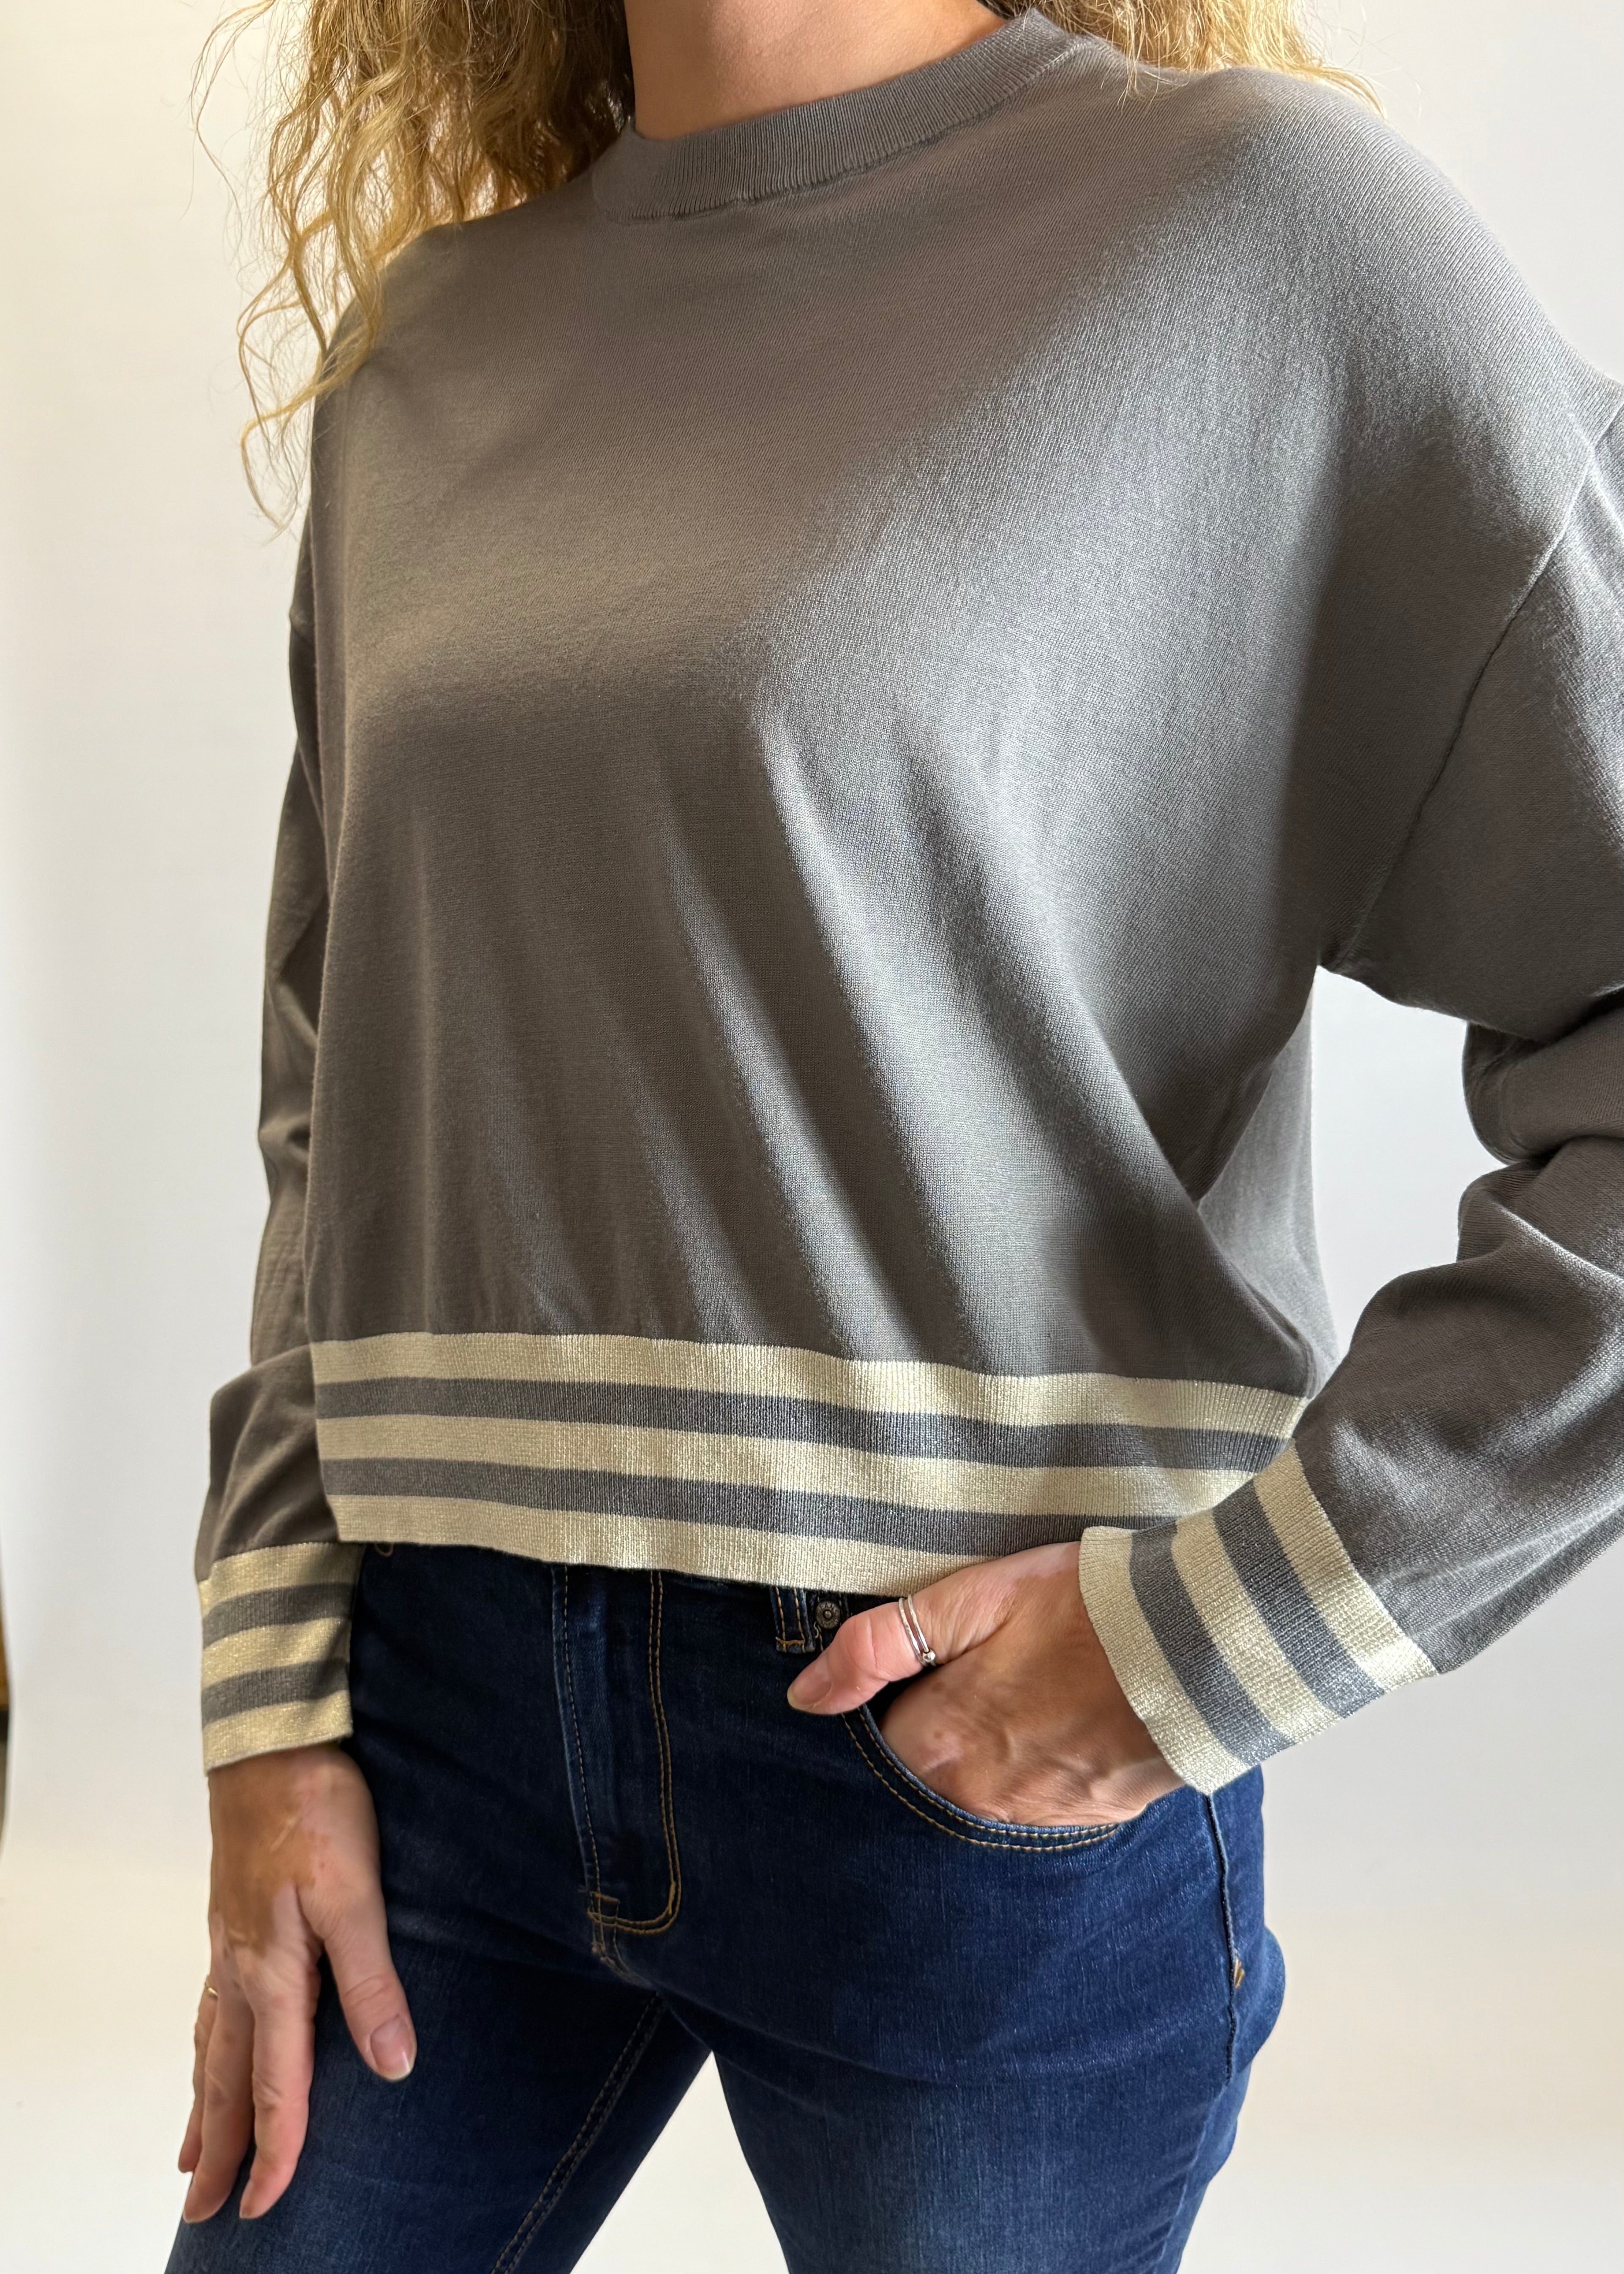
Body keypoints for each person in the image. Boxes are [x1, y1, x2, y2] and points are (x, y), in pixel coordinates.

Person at [167, 0, 1624, 2267]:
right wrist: (269, 1699)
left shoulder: (1260, 243)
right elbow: (331, 1084)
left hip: (966, 1750)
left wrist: (1221, 1634)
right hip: (427, 1727)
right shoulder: (425, 355)